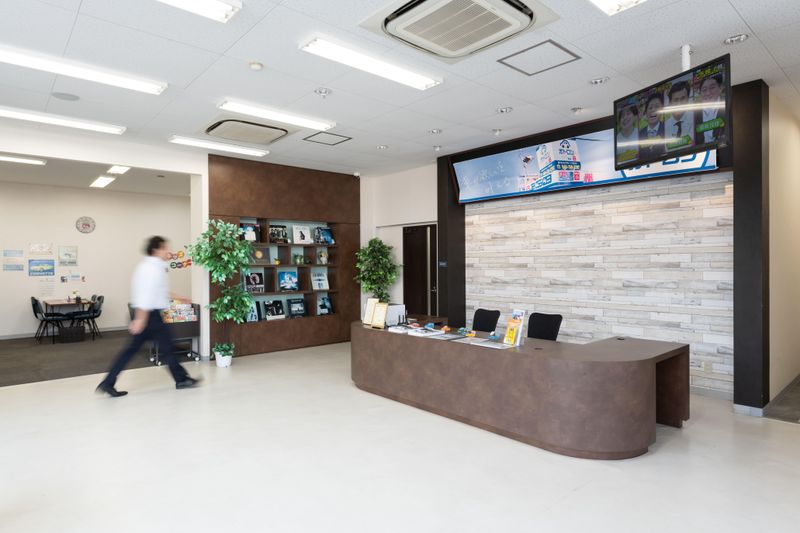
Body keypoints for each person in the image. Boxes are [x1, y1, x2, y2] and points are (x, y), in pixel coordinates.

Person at [96, 236, 199, 397]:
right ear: (156, 249)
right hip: (149, 316)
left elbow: (160, 291)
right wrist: (140, 319)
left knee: (153, 348)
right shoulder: (151, 269)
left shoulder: (154, 267)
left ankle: (108, 383)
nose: (168, 251)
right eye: (165, 248)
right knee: (162, 348)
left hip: (150, 315)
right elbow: (145, 296)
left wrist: (180, 297)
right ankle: (181, 379)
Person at [695, 73, 726, 145]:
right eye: (704, 90)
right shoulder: (694, 114)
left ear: (720, 88)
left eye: (712, 88)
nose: (708, 93)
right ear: (700, 93)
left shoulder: (727, 106)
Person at [665, 80, 694, 152]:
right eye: (676, 100)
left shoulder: (695, 119)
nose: (679, 104)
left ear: (688, 100)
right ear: (670, 103)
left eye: (683, 98)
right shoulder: (664, 126)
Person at [638, 92, 666, 160]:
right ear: (645, 112)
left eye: (657, 107)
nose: (653, 110)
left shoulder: (667, 128)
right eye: (650, 108)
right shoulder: (639, 135)